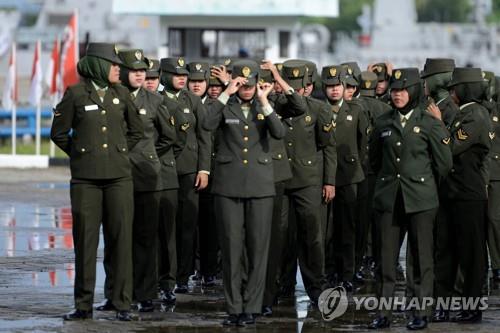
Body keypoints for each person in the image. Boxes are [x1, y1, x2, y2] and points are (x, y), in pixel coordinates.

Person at [51, 42, 143, 321]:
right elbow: (59, 133)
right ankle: (83, 305)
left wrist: (117, 152)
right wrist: (82, 154)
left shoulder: (122, 94)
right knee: (86, 242)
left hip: (119, 178)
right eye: (113, 64)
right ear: (98, 66)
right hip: (85, 181)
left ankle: (122, 303)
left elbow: (136, 131)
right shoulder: (76, 94)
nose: (119, 69)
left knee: (121, 241)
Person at [368, 68, 452, 330]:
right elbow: (374, 162)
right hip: (389, 199)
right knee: (386, 260)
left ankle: (421, 312)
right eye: (394, 90)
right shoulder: (382, 123)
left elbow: (444, 164)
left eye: (403, 90)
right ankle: (383, 313)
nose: (397, 95)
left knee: (421, 260)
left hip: (420, 200)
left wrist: (425, 188)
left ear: (414, 91)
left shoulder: (429, 123)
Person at [203, 60, 285, 326]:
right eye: (242, 85)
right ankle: (234, 307)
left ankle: (252, 306)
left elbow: (279, 131)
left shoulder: (264, 105)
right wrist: (227, 91)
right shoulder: (227, 103)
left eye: (250, 86)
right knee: (231, 247)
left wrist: (264, 100)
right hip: (229, 186)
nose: (247, 90)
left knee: (258, 249)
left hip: (260, 186)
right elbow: (206, 123)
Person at [430, 67, 491, 323]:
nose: (452, 92)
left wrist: (437, 122)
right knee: (446, 252)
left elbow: (452, 146)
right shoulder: (463, 113)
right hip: (452, 193)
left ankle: (472, 307)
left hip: (468, 194)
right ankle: (443, 305)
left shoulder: (475, 114)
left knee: (471, 254)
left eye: (456, 87)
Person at [159, 57, 212, 293]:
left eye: (184, 75)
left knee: (187, 226)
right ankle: (165, 275)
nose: (182, 78)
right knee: (166, 225)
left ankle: (183, 275)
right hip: (164, 170)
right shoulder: (156, 100)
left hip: (190, 170)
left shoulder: (192, 101)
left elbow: (204, 136)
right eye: (177, 74)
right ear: (164, 76)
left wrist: (204, 168)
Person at [322, 64, 368, 290]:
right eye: (329, 86)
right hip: (323, 178)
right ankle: (329, 271)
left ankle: (347, 273)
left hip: (349, 177)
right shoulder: (318, 110)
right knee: (327, 230)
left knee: (347, 227)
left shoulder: (356, 110)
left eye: (337, 86)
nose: (334, 90)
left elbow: (362, 144)